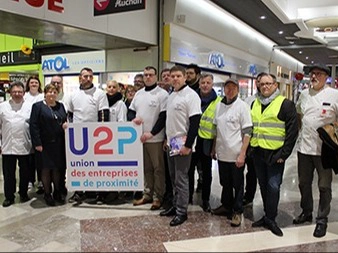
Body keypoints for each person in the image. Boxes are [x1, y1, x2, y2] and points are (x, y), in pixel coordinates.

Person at [250, 73, 298, 237]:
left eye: (268, 84)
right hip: (258, 152)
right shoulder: (255, 103)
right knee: (263, 185)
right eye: (262, 84)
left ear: (275, 85)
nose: (265, 87)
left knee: (273, 186)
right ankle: (267, 215)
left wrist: (283, 154)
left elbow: (292, 133)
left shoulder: (285, 104)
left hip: (275, 153)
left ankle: (271, 218)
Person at [294, 64, 338, 238]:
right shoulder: (304, 94)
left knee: (324, 186)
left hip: (324, 150)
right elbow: (299, 115)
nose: (314, 77)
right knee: (304, 183)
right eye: (312, 74)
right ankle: (306, 212)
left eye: (318, 74)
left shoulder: (334, 95)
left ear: (326, 77)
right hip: (304, 148)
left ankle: (322, 219)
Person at [159, 65, 201, 226]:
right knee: (173, 177)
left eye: (178, 76)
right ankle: (175, 206)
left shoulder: (191, 96)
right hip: (171, 143)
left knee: (181, 178)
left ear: (185, 77)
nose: (175, 78)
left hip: (183, 144)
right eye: (172, 76)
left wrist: (188, 145)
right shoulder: (171, 95)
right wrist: (166, 140)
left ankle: (182, 212)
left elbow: (195, 122)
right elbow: (170, 121)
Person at [211, 78, 252, 227]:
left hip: (236, 154)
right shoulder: (219, 106)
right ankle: (226, 205)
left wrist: (242, 154)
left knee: (238, 184)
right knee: (225, 183)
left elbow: (247, 132)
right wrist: (214, 147)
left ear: (237, 89)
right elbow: (216, 129)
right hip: (222, 153)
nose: (230, 90)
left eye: (233, 87)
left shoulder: (242, 107)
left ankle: (237, 211)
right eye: (227, 87)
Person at [65, 67, 110, 204]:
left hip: (96, 136)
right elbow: (70, 115)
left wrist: (101, 135)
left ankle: (99, 193)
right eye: (85, 76)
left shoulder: (100, 94)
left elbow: (103, 114)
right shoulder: (73, 95)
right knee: (80, 165)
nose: (88, 79)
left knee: (97, 165)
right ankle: (79, 192)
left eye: (90, 76)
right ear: (80, 78)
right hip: (79, 136)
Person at [129, 66, 168, 210]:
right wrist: (134, 120)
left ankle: (158, 197)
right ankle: (147, 194)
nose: (148, 77)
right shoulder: (138, 94)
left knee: (158, 169)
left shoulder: (162, 94)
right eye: (145, 75)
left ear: (156, 77)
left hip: (155, 138)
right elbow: (131, 112)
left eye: (151, 75)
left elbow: (163, 117)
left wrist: (151, 133)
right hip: (140, 138)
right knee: (146, 169)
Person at [29, 83, 67, 206]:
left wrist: (66, 125)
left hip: (59, 144)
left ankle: (57, 191)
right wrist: (37, 143)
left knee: (57, 168)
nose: (52, 94)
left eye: (54, 92)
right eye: (49, 92)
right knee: (45, 169)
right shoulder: (38, 106)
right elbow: (33, 125)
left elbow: (64, 120)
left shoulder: (61, 106)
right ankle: (47, 193)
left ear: (57, 94)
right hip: (44, 145)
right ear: (45, 93)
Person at [0, 81, 32, 207]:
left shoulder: (30, 106)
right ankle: (9, 196)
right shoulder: (2, 106)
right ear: (10, 93)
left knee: (25, 172)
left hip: (25, 144)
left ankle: (23, 193)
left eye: (19, 92)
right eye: (14, 92)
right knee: (8, 174)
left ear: (24, 93)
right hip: (8, 145)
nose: (17, 94)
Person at [194, 73, 222, 212]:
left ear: (212, 85)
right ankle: (186, 198)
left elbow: (218, 127)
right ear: (199, 84)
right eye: (203, 82)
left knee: (206, 173)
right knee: (188, 171)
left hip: (207, 142)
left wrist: (214, 147)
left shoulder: (218, 102)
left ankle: (205, 200)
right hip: (192, 141)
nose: (205, 85)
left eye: (208, 83)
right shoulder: (192, 98)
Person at [242, 72, 266, 207]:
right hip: (248, 142)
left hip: (264, 144)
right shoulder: (249, 100)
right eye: (259, 82)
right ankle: (247, 196)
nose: (260, 84)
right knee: (248, 172)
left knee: (256, 173)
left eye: (264, 82)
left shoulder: (275, 101)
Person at [24, 75, 44, 195]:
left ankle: (41, 181)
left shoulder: (42, 97)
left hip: (40, 131)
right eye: (32, 83)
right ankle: (30, 181)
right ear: (28, 84)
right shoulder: (25, 96)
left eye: (36, 83)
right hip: (26, 130)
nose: (34, 85)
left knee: (40, 158)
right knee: (29, 158)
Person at [186, 63, 203, 197]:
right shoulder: (183, 90)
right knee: (189, 168)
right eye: (187, 73)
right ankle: (189, 195)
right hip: (186, 134)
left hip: (202, 136)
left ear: (197, 75)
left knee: (202, 167)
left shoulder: (201, 92)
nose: (188, 76)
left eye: (191, 73)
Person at [159, 68, 174, 209]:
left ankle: (175, 199)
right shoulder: (162, 94)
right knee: (166, 169)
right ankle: (167, 195)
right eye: (164, 76)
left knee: (176, 173)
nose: (167, 78)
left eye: (168, 76)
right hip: (164, 137)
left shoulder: (175, 94)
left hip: (176, 139)